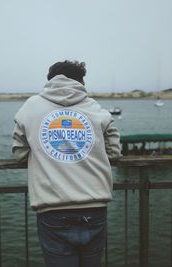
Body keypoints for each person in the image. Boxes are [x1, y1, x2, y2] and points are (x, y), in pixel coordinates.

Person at [12, 60, 122, 267]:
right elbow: (114, 152)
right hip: (95, 207)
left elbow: (19, 153)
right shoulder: (94, 107)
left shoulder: (31, 106)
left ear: (50, 81)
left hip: (53, 210)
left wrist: (44, 153)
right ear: (81, 81)